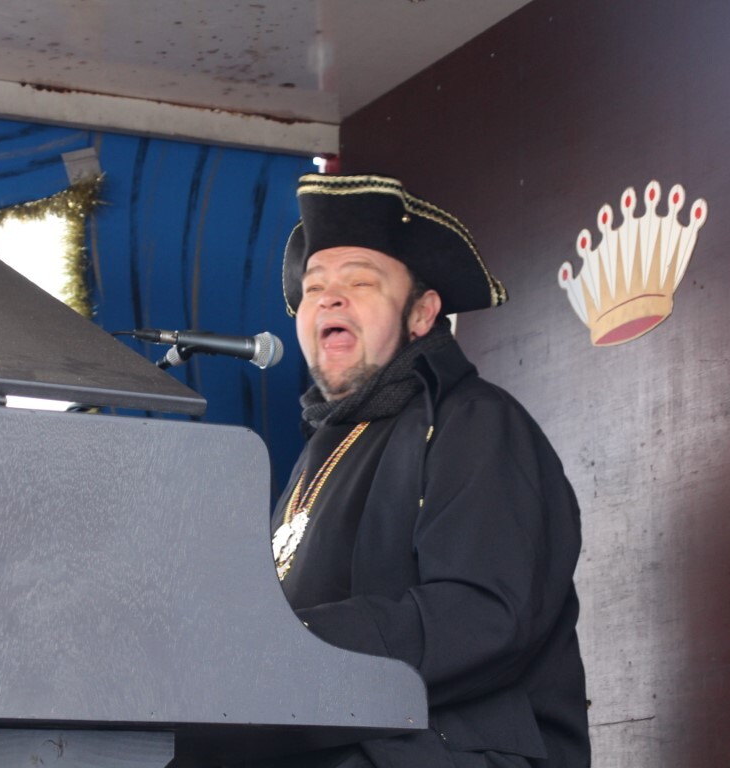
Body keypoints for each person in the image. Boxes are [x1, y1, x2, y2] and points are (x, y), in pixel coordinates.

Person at [270, 173, 590, 767]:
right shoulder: (315, 456)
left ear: (422, 313)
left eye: (360, 281)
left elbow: (484, 615)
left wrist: (295, 641)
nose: (329, 299)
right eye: (314, 288)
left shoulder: (476, 421)